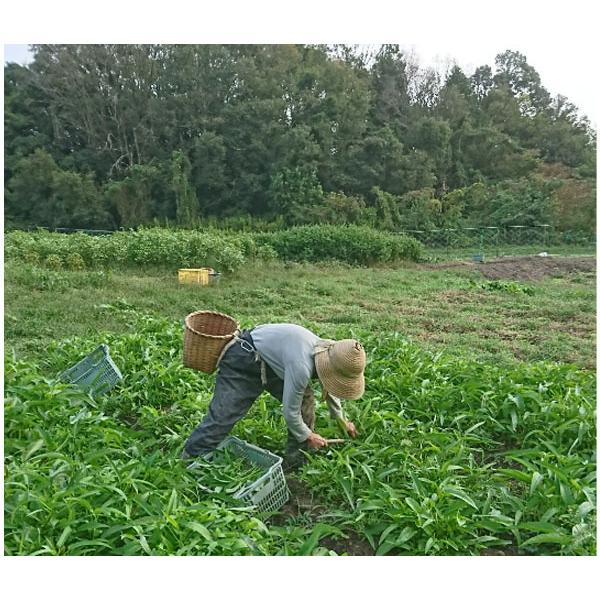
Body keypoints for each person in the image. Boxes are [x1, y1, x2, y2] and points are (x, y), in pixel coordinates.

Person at [181, 323, 366, 469]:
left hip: (273, 362)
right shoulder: (302, 366)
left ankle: (296, 462)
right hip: (245, 358)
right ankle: (192, 457)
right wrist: (308, 435)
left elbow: (330, 383)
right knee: (224, 415)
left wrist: (341, 419)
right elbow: (290, 413)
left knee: (304, 401)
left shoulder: (332, 352)